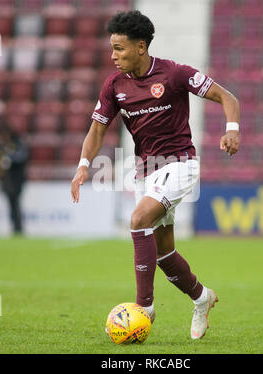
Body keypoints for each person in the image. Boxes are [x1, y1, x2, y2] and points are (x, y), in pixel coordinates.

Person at [71, 10, 240, 340]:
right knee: (163, 254)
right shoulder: (114, 85)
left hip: (180, 163)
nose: (113, 56)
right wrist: (83, 165)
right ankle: (202, 298)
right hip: (145, 171)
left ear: (141, 46)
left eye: (119, 49)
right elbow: (97, 130)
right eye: (112, 48)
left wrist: (231, 130)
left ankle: (143, 309)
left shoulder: (174, 73)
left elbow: (226, 96)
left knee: (137, 219)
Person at [0, 126, 29, 235]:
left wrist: (10, 159)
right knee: (12, 204)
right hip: (7, 180)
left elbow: (22, 157)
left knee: (15, 203)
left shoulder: (17, 144)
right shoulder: (4, 146)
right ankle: (15, 227)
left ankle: (18, 227)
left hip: (16, 179)